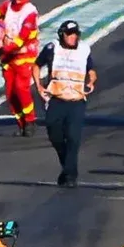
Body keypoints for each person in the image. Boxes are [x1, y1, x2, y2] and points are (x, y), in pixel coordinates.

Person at [33, 20, 96, 188]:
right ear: (62, 35)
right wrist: (39, 86)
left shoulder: (84, 50)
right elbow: (36, 66)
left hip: (76, 101)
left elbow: (91, 70)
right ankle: (67, 168)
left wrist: (91, 81)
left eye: (75, 34)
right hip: (56, 99)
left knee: (74, 138)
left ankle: (70, 175)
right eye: (69, 34)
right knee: (55, 136)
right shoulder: (52, 48)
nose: (73, 37)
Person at [0, 0, 40, 137]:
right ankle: (21, 124)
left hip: (24, 54)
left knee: (21, 87)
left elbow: (21, 39)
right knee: (10, 92)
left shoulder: (30, 12)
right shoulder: (8, 4)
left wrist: (1, 51)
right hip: (8, 56)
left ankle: (30, 120)